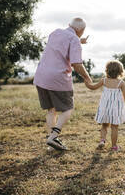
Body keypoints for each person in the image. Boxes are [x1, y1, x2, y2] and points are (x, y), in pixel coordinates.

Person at [33, 17, 92, 150]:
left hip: (41, 75)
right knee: (68, 108)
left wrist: (79, 41)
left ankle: (51, 142)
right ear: (81, 30)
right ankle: (54, 136)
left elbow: (60, 45)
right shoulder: (74, 39)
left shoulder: (55, 32)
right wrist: (87, 77)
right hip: (57, 78)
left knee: (51, 109)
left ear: (69, 25)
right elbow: (76, 64)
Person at [85, 60, 125, 151]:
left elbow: (93, 87)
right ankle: (114, 146)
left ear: (107, 70)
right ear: (120, 72)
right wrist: (122, 102)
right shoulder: (121, 83)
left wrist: (87, 84)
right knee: (114, 127)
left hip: (105, 107)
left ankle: (102, 140)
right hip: (115, 108)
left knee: (104, 126)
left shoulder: (103, 81)